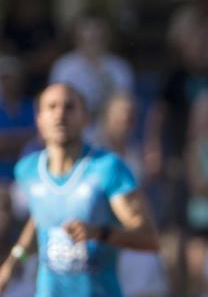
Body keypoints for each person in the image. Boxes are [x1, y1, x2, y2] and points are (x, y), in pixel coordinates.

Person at [0, 83, 160, 296]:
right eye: (52, 107)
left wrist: (99, 232)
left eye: (69, 107)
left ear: (86, 118)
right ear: (39, 120)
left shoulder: (108, 167)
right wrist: (13, 260)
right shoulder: (27, 169)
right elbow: (40, 217)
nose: (60, 114)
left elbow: (148, 237)